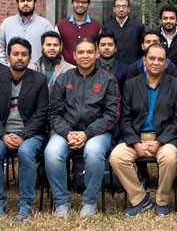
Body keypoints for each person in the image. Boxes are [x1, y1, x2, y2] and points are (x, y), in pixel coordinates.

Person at [109, 43, 177, 217]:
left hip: (164, 138)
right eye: (152, 58)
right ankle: (140, 198)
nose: (156, 62)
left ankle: (162, 201)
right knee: (116, 157)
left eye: (160, 59)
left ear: (166, 63)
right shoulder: (131, 85)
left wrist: (159, 141)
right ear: (144, 60)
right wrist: (135, 143)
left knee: (169, 158)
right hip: (136, 137)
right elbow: (125, 119)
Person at [45, 38, 119, 218]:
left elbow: (112, 115)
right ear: (74, 55)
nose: (85, 56)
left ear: (96, 54)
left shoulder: (108, 80)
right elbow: (54, 113)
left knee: (93, 152)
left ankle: (90, 201)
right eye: (81, 52)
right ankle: (61, 201)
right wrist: (67, 133)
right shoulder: (63, 79)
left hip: (97, 133)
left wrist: (87, 134)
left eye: (89, 52)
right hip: (66, 132)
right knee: (51, 152)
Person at [0, 37, 48, 220]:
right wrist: (3, 135)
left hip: (31, 134)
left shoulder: (39, 80)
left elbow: (41, 113)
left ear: (29, 58)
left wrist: (24, 135)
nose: (20, 58)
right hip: (3, 133)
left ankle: (25, 203)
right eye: (16, 54)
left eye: (24, 54)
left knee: (26, 152)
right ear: (7, 57)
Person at [0, 0, 53, 65]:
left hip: (37, 71)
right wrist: (5, 66)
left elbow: (52, 48)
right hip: (11, 71)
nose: (25, 3)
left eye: (29, 0)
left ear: (34, 2)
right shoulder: (7, 24)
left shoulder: (45, 25)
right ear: (17, 3)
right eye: (22, 1)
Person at [55, 0, 102, 65]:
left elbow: (100, 51)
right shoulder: (60, 26)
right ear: (72, 4)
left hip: (90, 69)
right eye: (77, 2)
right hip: (66, 69)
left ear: (88, 5)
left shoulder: (97, 26)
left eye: (84, 2)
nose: (80, 5)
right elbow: (56, 49)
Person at [101, 0, 146, 66]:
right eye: (118, 6)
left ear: (128, 9)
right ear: (114, 9)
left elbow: (142, 49)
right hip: (113, 67)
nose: (121, 9)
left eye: (124, 6)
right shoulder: (107, 27)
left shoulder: (138, 27)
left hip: (133, 67)